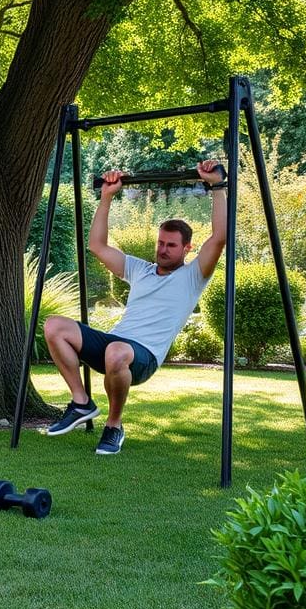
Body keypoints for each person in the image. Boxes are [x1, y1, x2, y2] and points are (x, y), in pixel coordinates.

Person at [42, 159, 228, 455]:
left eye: (171, 245)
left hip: (143, 356)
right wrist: (106, 198)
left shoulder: (194, 276)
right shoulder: (140, 269)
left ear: (186, 249)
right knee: (54, 326)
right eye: (161, 243)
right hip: (115, 344)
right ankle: (81, 402)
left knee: (117, 352)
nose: (163, 250)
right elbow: (97, 247)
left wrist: (217, 187)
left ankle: (114, 427)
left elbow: (219, 238)